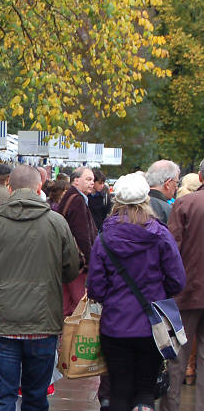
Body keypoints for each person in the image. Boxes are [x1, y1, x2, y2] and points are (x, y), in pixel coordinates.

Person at [0, 165, 80, 411]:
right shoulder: (56, 223)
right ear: (39, 188)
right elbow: (71, 269)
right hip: (43, 321)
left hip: (2, 320)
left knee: (3, 396)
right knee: (36, 397)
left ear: (9, 188)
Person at [87, 173, 186, 411]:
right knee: (145, 390)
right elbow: (177, 280)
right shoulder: (160, 235)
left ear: (116, 201)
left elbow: (96, 287)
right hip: (151, 326)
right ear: (145, 200)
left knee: (119, 389)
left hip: (115, 324)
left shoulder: (105, 238)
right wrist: (158, 292)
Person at [162, 158, 204, 411]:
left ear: (200, 177)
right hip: (190, 289)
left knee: (177, 357)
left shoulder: (185, 203)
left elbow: (171, 250)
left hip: (187, 291)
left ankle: (171, 406)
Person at [57, 166, 97, 317]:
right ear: (75, 181)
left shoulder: (71, 197)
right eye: (88, 179)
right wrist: (89, 260)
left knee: (67, 304)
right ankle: (73, 338)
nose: (91, 183)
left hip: (67, 259)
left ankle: (64, 337)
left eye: (93, 180)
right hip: (77, 263)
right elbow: (82, 234)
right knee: (79, 304)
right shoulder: (77, 200)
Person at [145, 160, 180, 224]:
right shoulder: (169, 210)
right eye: (176, 183)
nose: (177, 187)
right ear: (168, 184)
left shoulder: (135, 204)